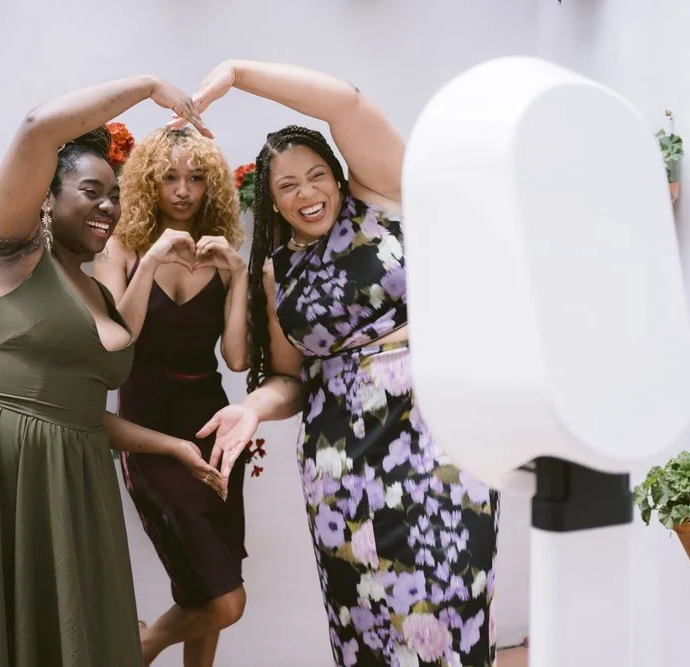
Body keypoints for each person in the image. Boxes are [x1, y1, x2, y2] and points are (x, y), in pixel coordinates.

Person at [0, 75, 227, 667]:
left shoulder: (92, 290)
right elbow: (38, 128)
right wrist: (147, 88)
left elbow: (79, 412)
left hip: (70, 481)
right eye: (91, 191)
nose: (108, 206)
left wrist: (172, 447)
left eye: (114, 195)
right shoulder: (8, 254)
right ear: (45, 197)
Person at [170, 60, 500, 667]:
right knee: (366, 614)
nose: (306, 193)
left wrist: (239, 74)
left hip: (437, 433)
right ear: (270, 200)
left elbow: (345, 102)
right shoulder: (279, 272)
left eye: (316, 175)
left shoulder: (382, 200)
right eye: (287, 186)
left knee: (451, 597)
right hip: (339, 458)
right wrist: (249, 409)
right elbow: (289, 379)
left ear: (339, 177)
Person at [94, 126, 248, 667]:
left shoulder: (221, 255)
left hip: (214, 432)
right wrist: (154, 257)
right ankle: (136, 648)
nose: (183, 190)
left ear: (212, 188)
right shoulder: (122, 250)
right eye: (170, 177)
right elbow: (119, 344)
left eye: (197, 178)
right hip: (150, 433)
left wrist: (240, 275)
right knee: (228, 601)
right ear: (148, 183)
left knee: (205, 589)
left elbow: (235, 360)